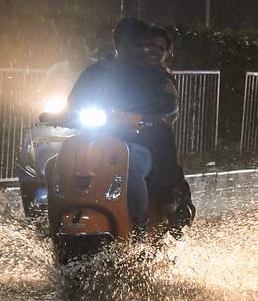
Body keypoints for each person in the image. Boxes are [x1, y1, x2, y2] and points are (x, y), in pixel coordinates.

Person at [64, 17, 193, 234]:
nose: (142, 49)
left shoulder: (154, 75)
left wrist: (155, 117)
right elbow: (73, 103)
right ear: (119, 43)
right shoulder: (95, 72)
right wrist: (63, 114)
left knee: (129, 169)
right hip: (95, 141)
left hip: (138, 143)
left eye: (144, 44)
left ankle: (139, 231)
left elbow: (170, 104)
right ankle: (52, 224)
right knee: (56, 165)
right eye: (135, 43)